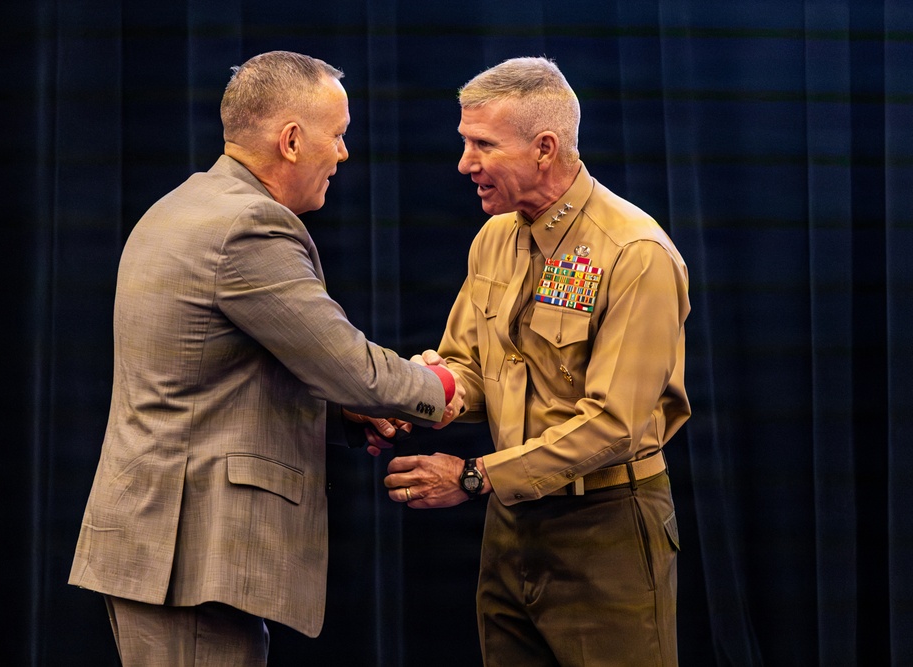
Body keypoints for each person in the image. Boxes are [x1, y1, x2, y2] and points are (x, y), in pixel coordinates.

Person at [69, 50, 462, 666]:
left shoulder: (182, 206)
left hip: (165, 545)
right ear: (291, 140)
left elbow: (217, 379)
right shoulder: (249, 225)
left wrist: (345, 419)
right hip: (189, 557)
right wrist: (442, 383)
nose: (343, 153)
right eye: (337, 136)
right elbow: (350, 368)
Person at [384, 57, 690, 666]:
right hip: (513, 526)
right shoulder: (494, 237)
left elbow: (613, 423)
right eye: (464, 142)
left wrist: (472, 477)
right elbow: (467, 369)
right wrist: (402, 397)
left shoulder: (634, 253)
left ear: (544, 147)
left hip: (607, 526)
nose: (465, 164)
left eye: (482, 145)